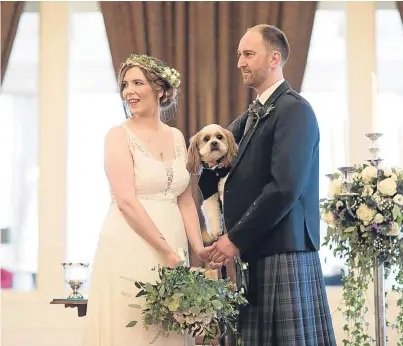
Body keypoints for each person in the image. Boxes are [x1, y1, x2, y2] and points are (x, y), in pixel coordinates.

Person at [201, 25, 337, 345]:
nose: (240, 62)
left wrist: (233, 238)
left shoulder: (295, 110)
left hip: (285, 253)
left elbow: (285, 188)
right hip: (257, 252)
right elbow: (213, 165)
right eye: (239, 55)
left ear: (274, 58)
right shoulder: (249, 117)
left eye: (248, 54)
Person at [81, 53, 211, 346]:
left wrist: (198, 248)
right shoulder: (117, 136)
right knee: (135, 329)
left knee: (170, 328)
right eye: (125, 85)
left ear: (161, 90)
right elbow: (126, 201)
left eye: (138, 83)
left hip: (173, 245)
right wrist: (165, 250)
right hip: (131, 242)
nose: (129, 91)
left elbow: (185, 199)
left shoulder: (177, 137)